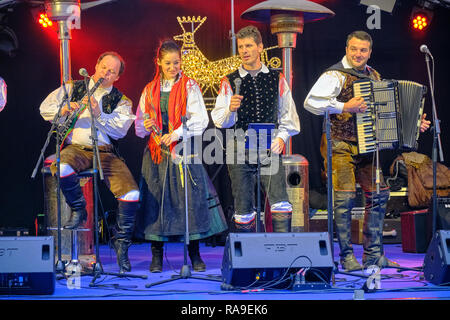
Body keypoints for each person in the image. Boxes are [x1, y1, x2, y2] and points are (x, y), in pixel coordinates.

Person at [304, 31, 430, 271]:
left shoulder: (374, 75)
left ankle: (373, 255)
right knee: (345, 199)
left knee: (380, 195)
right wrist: (343, 105)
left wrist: (414, 125)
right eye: (353, 49)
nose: (358, 54)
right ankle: (347, 257)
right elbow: (310, 102)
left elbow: (387, 112)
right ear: (346, 48)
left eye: (363, 50)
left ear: (370, 52)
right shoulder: (334, 75)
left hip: (368, 146)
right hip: (340, 144)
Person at [40, 51, 140, 274]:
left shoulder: (121, 100)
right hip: (76, 148)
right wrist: (64, 109)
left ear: (117, 77)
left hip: (105, 152)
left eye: (112, 71)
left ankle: (121, 244)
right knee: (62, 166)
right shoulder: (74, 87)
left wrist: (98, 114)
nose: (106, 73)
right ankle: (79, 209)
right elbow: (45, 108)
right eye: (104, 67)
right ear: (96, 65)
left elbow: (121, 130)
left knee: (132, 193)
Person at [135, 40, 228, 273]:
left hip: (184, 152)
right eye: (168, 63)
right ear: (158, 62)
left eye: (176, 62)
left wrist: (175, 134)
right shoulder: (149, 90)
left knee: (190, 202)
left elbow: (201, 120)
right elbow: (138, 128)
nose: (173, 67)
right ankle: (157, 255)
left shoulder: (189, 86)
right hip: (157, 156)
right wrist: (146, 125)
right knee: (157, 204)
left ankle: (194, 254)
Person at [211, 25, 300, 233]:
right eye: (241, 47)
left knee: (279, 201)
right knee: (243, 206)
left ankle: (282, 258)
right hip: (238, 145)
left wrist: (282, 138)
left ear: (260, 47)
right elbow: (218, 119)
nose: (244, 51)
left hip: (268, 144)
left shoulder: (276, 78)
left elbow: (289, 115)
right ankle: (249, 260)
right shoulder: (229, 80)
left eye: (249, 46)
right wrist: (231, 110)